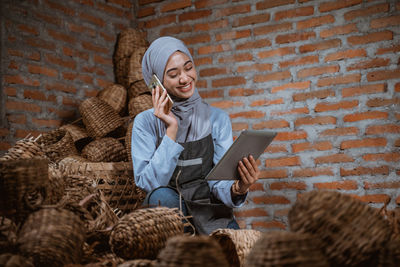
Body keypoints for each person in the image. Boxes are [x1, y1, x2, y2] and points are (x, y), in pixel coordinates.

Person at [131, 36, 260, 235]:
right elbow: (149, 184)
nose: (184, 78)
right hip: (169, 215)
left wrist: (238, 188)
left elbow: (219, 182)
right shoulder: (145, 122)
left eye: (188, 68)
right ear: (156, 82)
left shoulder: (217, 119)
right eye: (173, 74)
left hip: (210, 211)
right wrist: (171, 129)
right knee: (162, 195)